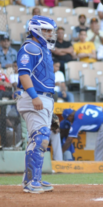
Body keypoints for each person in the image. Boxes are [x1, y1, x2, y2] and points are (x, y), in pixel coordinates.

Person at [17, 15, 57, 194]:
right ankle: (33, 181)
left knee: (39, 138)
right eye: (46, 30)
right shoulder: (30, 47)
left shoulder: (42, 48)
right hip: (34, 97)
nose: (50, 34)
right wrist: (34, 96)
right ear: (36, 30)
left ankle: (32, 179)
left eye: (50, 30)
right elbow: (23, 74)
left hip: (44, 98)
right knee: (40, 138)